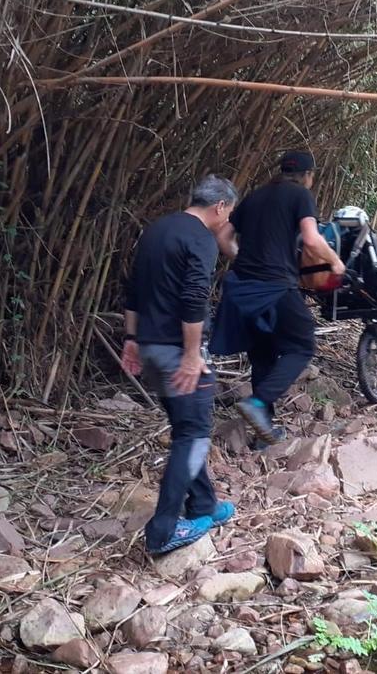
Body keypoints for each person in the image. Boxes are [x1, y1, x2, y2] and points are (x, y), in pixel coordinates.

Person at [121, 175, 239, 555]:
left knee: (186, 427)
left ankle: (204, 504)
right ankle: (164, 531)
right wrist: (192, 355)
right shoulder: (201, 237)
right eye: (229, 213)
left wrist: (131, 340)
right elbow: (193, 299)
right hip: (178, 352)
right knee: (195, 435)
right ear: (220, 207)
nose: (227, 221)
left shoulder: (157, 229)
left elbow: (134, 289)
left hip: (151, 348)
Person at [210, 151, 345, 446]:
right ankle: (258, 404)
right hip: (274, 286)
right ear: (308, 175)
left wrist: (244, 259)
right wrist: (335, 261)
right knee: (303, 343)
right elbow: (310, 238)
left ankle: (263, 433)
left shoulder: (255, 196)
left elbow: (223, 238)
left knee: (264, 353)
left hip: (242, 287)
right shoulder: (300, 195)